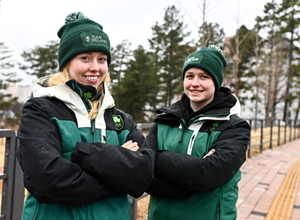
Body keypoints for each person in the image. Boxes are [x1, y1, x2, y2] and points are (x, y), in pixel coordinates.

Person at [16, 12, 154, 220]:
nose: (95, 68)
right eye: (85, 58)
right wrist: (116, 169)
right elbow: (46, 180)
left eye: (102, 59)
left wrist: (78, 157)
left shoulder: (120, 121)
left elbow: (143, 175)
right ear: (67, 63)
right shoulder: (40, 110)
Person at [145, 45, 251, 220]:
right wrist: (190, 181)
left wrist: (155, 157)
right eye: (189, 76)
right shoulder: (164, 120)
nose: (195, 83)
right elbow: (141, 171)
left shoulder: (234, 127)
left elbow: (208, 174)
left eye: (204, 77)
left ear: (216, 82)